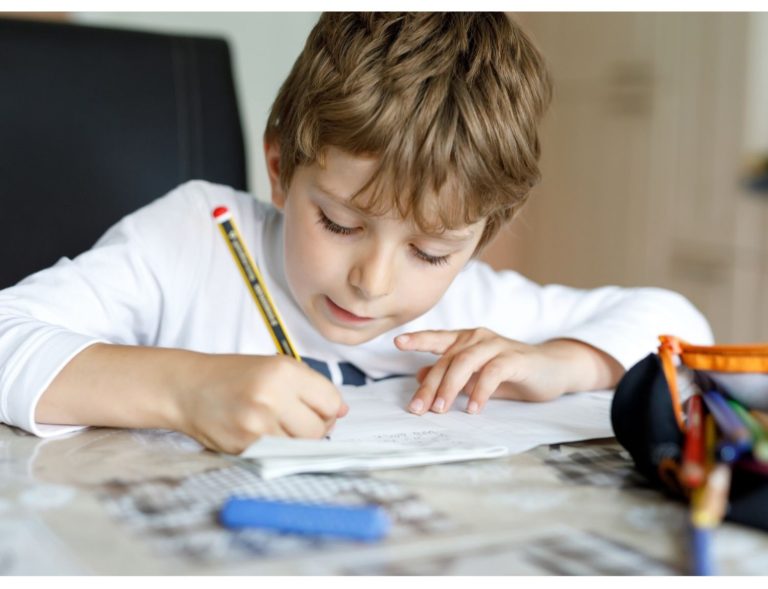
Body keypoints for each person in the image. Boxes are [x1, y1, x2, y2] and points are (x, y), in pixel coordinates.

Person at [0, 13, 712, 454]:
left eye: (431, 252)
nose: (373, 281)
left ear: (481, 237)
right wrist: (186, 389)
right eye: (339, 222)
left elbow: (682, 326)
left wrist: (564, 362)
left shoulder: (472, 312)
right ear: (280, 168)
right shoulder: (196, 239)